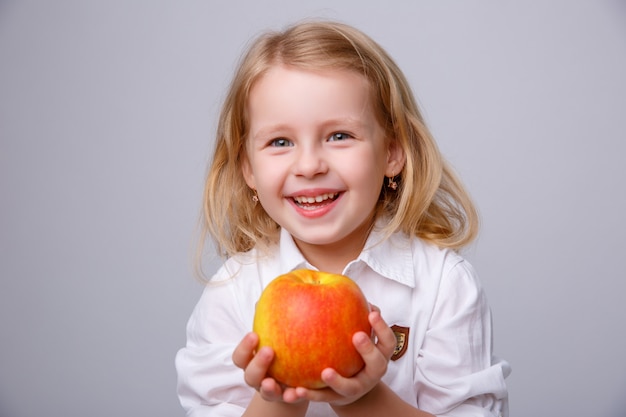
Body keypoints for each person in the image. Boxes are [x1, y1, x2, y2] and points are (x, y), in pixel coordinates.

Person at [175, 20, 510, 417]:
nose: (310, 165)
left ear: (392, 153)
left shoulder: (444, 285)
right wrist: (276, 398)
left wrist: (365, 398)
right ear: (248, 168)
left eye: (339, 136)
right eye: (280, 142)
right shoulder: (231, 295)